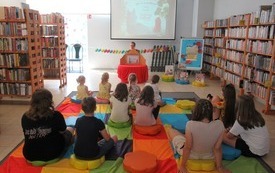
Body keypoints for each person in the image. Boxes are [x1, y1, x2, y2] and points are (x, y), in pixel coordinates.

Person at [21, 89, 74, 162]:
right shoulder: (55, 115)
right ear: (49, 102)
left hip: (29, 154)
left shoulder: (25, 116)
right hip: (52, 153)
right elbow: (63, 130)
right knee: (70, 128)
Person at [178, 99, 230, 173]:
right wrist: (220, 167)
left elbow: (187, 147)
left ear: (196, 111)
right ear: (211, 112)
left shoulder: (190, 124)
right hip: (209, 157)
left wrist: (182, 166)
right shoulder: (220, 124)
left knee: (176, 136)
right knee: (185, 137)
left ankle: (169, 129)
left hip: (192, 156)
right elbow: (217, 148)